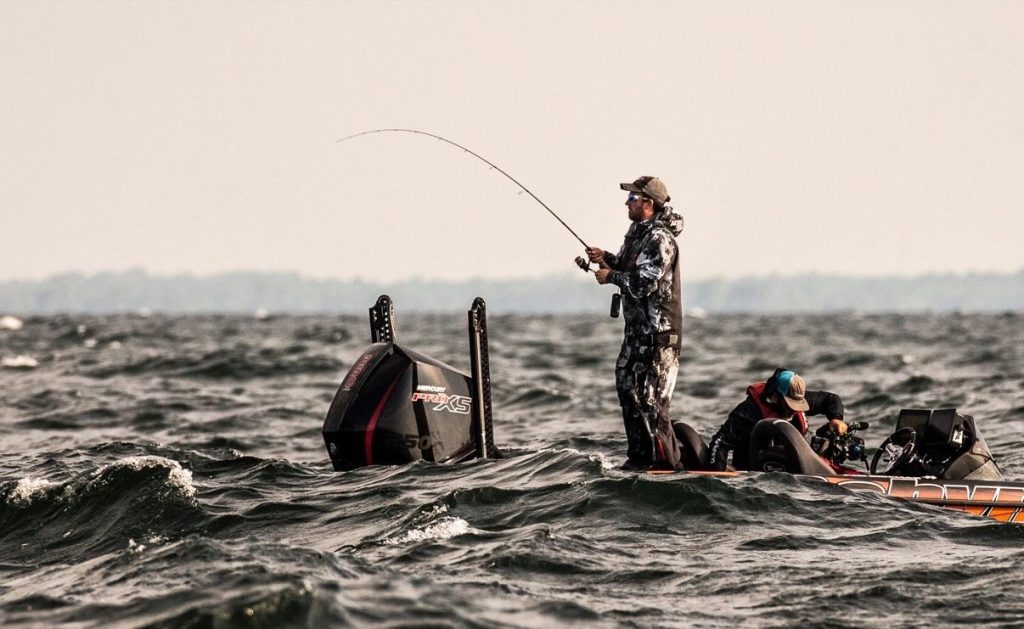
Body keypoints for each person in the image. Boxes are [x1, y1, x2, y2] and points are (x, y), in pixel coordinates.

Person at [585, 176, 685, 470]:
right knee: (628, 391)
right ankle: (640, 459)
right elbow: (631, 268)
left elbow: (644, 283)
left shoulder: (660, 239)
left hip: (659, 336)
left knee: (652, 403)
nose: (627, 203)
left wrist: (611, 277)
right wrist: (607, 259)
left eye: (632, 198)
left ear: (648, 204)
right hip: (636, 334)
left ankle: (667, 467)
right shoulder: (637, 233)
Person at [707, 368, 847, 471]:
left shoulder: (797, 397)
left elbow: (831, 399)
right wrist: (718, 474)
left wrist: (836, 419)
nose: (794, 409)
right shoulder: (748, 412)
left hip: (793, 470)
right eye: (790, 403)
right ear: (775, 396)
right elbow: (719, 443)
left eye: (798, 403)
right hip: (755, 475)